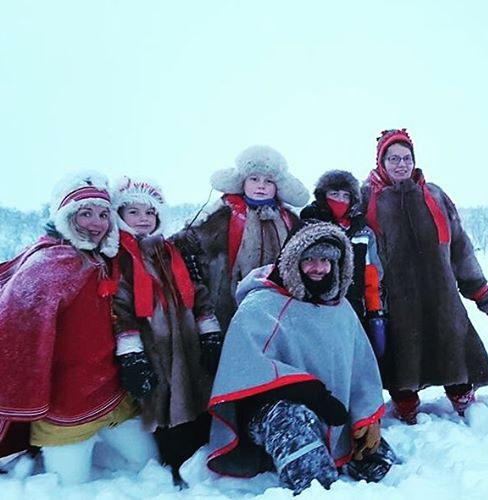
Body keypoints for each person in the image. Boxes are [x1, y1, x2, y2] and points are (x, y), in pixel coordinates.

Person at [205, 222, 392, 494]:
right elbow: (246, 371)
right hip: (271, 412)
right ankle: (315, 488)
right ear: (293, 261)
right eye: (309, 260)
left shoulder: (341, 309)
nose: (318, 267)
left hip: (331, 410)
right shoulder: (261, 304)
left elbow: (360, 372)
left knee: (377, 462)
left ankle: (339, 450)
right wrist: (315, 395)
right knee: (291, 420)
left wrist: (366, 417)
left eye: (326, 260)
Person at [0, 171, 157, 485]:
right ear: (65, 216)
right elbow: (14, 338)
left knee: (150, 467)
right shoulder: (47, 266)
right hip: (67, 407)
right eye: (86, 213)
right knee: (70, 487)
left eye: (103, 214)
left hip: (113, 396)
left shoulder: (104, 258)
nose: (96, 223)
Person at [363, 129, 488, 423]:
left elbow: (459, 244)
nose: (401, 164)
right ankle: (406, 409)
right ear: (381, 162)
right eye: (393, 158)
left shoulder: (434, 195)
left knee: (453, 348)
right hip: (395, 300)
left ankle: (464, 400)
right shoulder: (367, 199)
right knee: (402, 357)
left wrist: (478, 287)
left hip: (442, 295)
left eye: (406, 158)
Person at [111, 177, 220, 485]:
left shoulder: (170, 251)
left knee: (198, 395)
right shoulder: (120, 258)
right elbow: (120, 309)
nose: (143, 218)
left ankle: (202, 456)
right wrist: (131, 355)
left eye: (150, 212)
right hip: (152, 346)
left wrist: (209, 332)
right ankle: (175, 461)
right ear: (120, 215)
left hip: (187, 342)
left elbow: (197, 293)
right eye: (134, 212)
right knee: (164, 403)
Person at [171, 145, 308, 336]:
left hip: (279, 304)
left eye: (268, 181)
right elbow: (188, 244)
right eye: (254, 179)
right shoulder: (222, 214)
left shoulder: (289, 220)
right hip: (228, 304)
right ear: (242, 181)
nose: (261, 185)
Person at [300, 170, 386, 358]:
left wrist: (375, 313)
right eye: (334, 194)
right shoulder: (309, 225)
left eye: (345, 195)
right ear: (323, 195)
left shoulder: (363, 232)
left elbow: (372, 276)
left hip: (355, 310)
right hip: (317, 310)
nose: (340, 200)